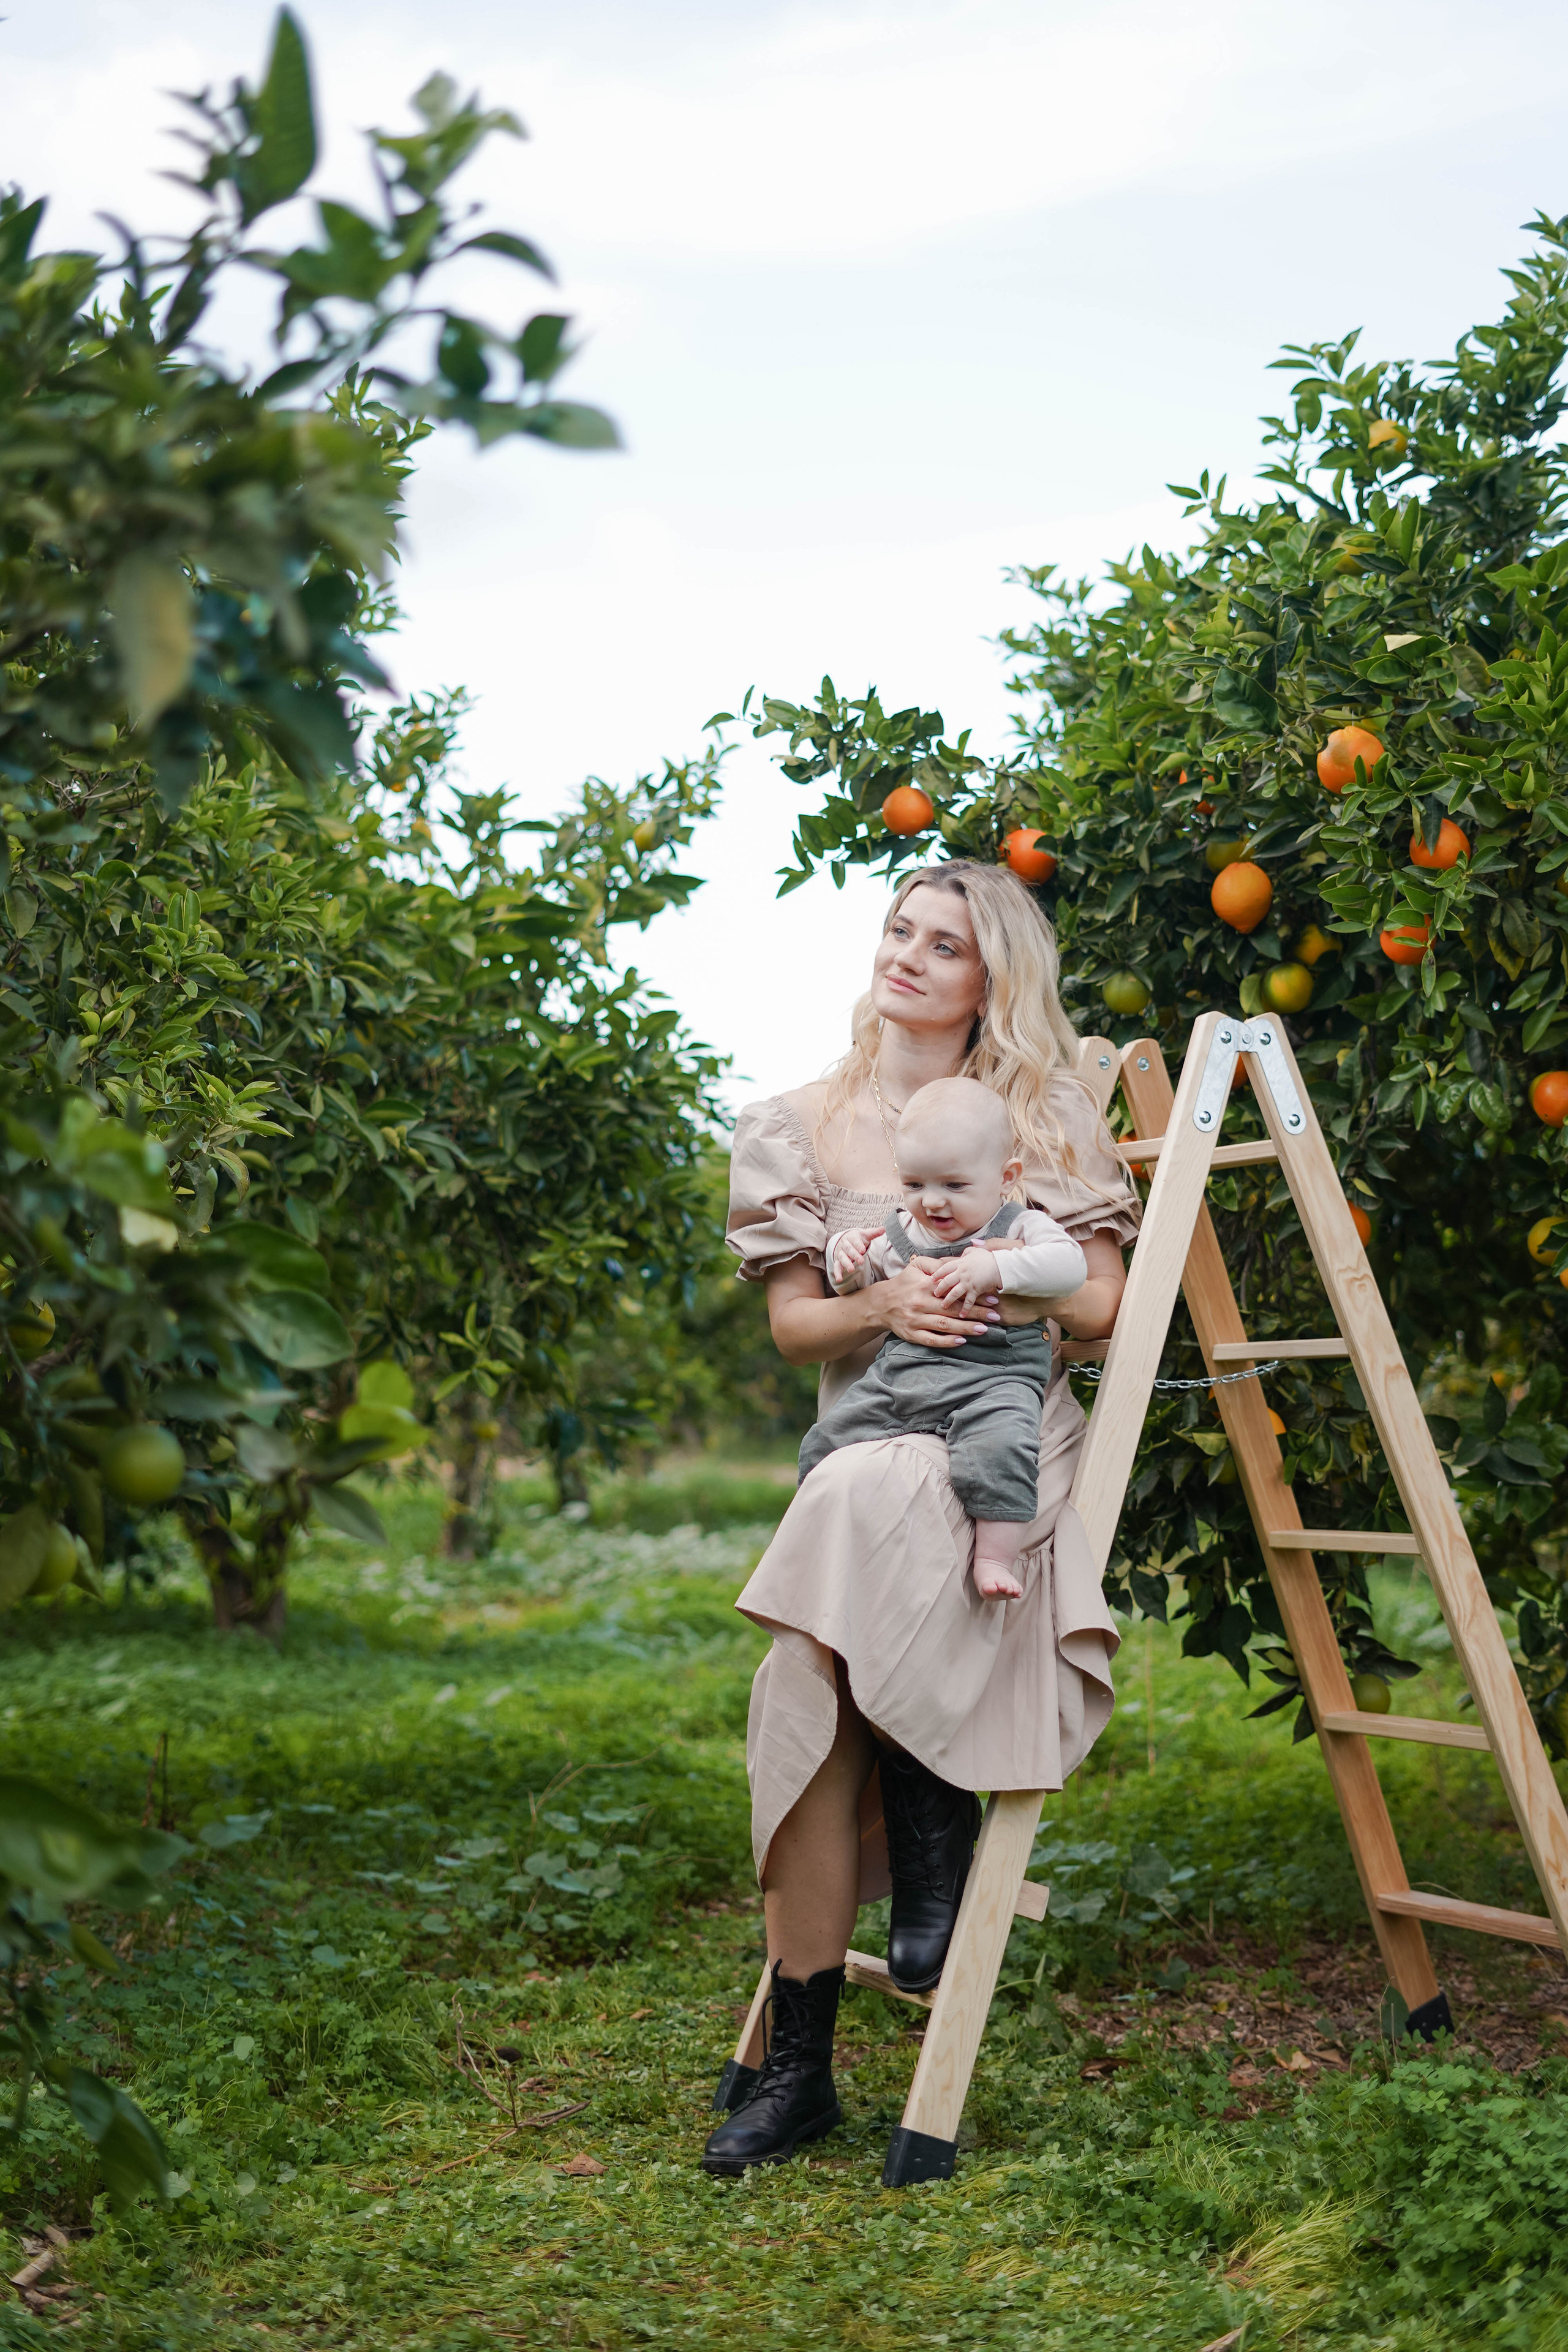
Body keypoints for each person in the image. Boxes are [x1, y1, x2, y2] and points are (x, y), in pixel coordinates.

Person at [701, 860, 1140, 2177]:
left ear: (986, 980)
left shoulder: (1040, 1116)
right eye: (899, 932)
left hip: (995, 1450)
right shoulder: (799, 1124)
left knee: (843, 1534)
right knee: (802, 1696)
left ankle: (805, 2056)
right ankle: (804, 2067)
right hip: (861, 1440)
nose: (908, 958)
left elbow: (1104, 1301)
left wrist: (997, 1274)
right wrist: (882, 1305)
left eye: (943, 946)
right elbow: (794, 1330)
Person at [801, 1073, 1088, 1600]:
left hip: (994, 1377)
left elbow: (1070, 1267)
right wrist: (844, 1262)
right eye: (914, 1185)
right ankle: (813, 1539)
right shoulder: (903, 1233)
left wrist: (999, 1270)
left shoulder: (1022, 1225)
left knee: (1003, 1449)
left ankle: (995, 1557)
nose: (932, 1203)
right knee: (829, 1439)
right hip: (905, 1373)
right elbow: (864, 1283)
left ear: (1006, 1176)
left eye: (954, 1186)